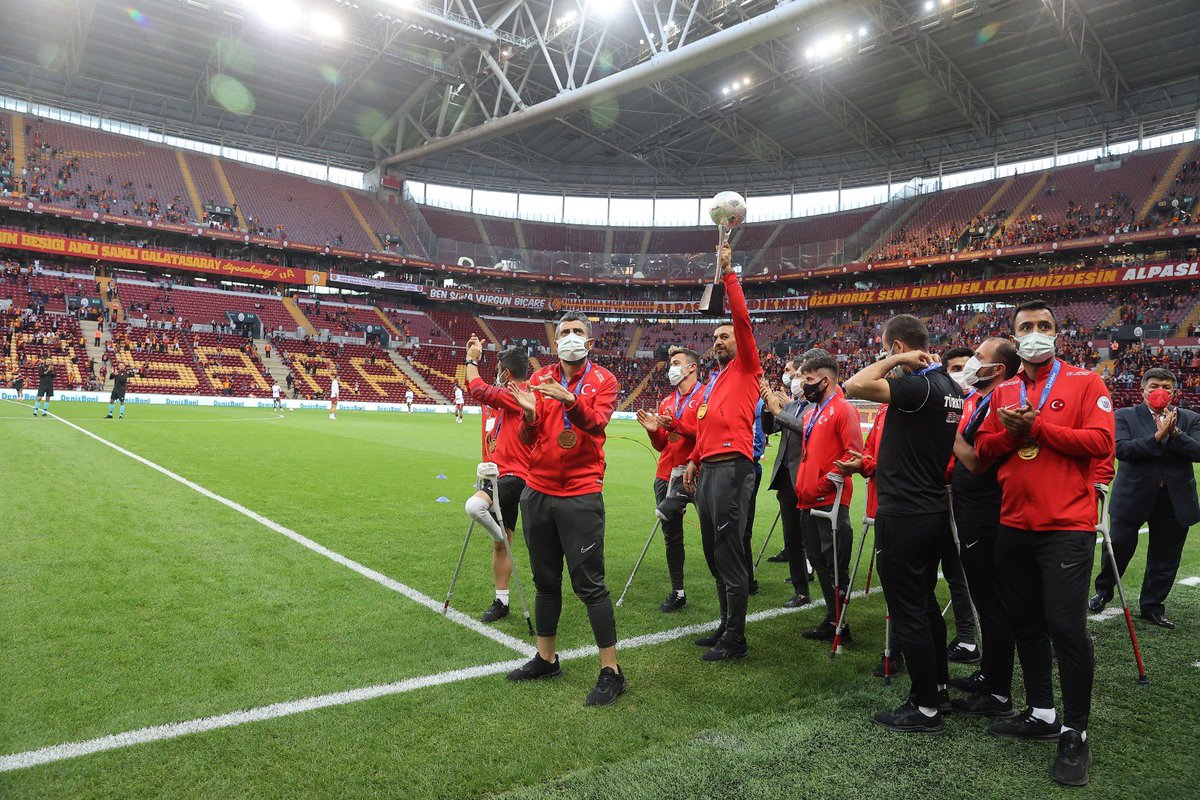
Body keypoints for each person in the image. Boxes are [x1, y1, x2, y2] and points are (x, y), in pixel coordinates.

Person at [975, 299, 1115, 787]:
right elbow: (986, 450)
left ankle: (1075, 731)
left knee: (1065, 627)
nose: (1036, 332)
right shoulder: (1005, 389)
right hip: (1013, 525)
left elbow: (1100, 443)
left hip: (1066, 528)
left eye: (1044, 326)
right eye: (1026, 327)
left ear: (1057, 333)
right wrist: (1014, 433)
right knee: (1026, 624)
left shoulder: (1085, 382)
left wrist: (1039, 428)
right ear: (1014, 339)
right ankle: (1041, 712)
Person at [843, 314, 963, 734]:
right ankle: (940, 690)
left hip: (905, 512)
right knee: (926, 604)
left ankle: (925, 707)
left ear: (896, 346)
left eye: (884, 347)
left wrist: (897, 361)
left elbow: (853, 386)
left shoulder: (917, 384)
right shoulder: (950, 386)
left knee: (908, 608)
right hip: (930, 509)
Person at [506, 312, 624, 706]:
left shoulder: (604, 380)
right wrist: (529, 415)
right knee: (545, 581)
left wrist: (570, 400)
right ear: (554, 343)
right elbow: (528, 437)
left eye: (577, 332)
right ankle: (546, 658)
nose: (570, 337)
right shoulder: (539, 379)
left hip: (580, 493)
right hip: (537, 491)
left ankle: (612, 671)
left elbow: (596, 424)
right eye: (564, 333)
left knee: (590, 585)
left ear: (589, 343)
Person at [682, 241, 763, 662]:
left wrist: (729, 274)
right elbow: (704, 428)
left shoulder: (749, 365)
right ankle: (724, 625)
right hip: (710, 468)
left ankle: (736, 638)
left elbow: (744, 321)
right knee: (715, 552)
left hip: (734, 468)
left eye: (724, 335)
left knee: (729, 551)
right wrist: (694, 461)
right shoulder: (716, 381)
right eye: (714, 336)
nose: (718, 340)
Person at [1089, 367, 1200, 628]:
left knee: (1165, 557)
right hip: (1133, 496)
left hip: (1174, 499)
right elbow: (1122, 450)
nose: (1159, 391)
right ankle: (1104, 592)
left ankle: (1152, 606)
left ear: (1175, 392)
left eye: (1165, 386)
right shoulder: (1124, 415)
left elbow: (1198, 451)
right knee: (1117, 550)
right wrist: (1157, 437)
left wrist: (1176, 435)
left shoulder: (1190, 418)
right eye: (1153, 386)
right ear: (1143, 389)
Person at [946, 338, 1022, 712]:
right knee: (986, 601)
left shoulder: (1001, 403)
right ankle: (990, 676)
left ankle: (997, 692)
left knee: (992, 605)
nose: (971, 363)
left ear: (999, 370)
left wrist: (948, 432)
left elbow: (977, 461)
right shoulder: (984, 400)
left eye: (978, 358)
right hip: (972, 508)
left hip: (985, 511)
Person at [766, 351, 861, 640]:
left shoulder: (844, 410)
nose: (804, 384)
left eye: (808, 379)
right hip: (806, 499)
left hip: (829, 502)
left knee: (834, 565)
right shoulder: (815, 410)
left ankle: (841, 625)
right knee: (819, 563)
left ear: (825, 380)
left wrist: (822, 484)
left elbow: (853, 455)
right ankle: (833, 620)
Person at [464, 336, 534, 624]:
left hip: (511, 476)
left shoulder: (520, 393)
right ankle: (502, 601)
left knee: (474, 508)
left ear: (506, 374)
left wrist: (471, 359)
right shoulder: (497, 397)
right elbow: (480, 392)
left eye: (498, 369)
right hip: (493, 473)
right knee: (500, 546)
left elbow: (477, 386)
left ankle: (500, 535)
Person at [637, 345, 703, 612]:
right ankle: (678, 591)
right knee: (671, 536)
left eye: (676, 363)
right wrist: (654, 432)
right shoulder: (667, 400)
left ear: (691, 367)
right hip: (665, 474)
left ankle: (735, 584)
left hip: (696, 472)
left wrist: (675, 425)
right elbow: (662, 445)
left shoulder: (706, 397)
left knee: (714, 533)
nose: (671, 367)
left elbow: (706, 437)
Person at [759, 357, 811, 606]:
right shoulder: (791, 407)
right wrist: (768, 407)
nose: (796, 380)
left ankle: (819, 581)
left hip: (806, 478)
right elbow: (769, 428)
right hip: (786, 478)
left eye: (801, 376)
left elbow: (805, 429)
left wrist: (779, 410)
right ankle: (801, 590)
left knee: (810, 537)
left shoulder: (815, 407)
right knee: (791, 536)